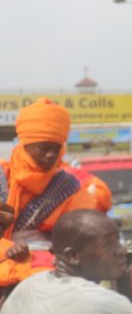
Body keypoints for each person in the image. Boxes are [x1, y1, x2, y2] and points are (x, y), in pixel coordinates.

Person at [0, 209, 132, 314]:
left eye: (118, 240)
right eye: (109, 244)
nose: (122, 250)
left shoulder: (28, 284)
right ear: (72, 256)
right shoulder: (100, 304)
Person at [0, 98, 105, 301]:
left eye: (56, 148)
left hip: (49, 266)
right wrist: (9, 249)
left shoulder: (69, 186)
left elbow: (81, 235)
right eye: (43, 147)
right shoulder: (2, 176)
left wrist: (39, 255)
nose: (50, 155)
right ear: (26, 145)